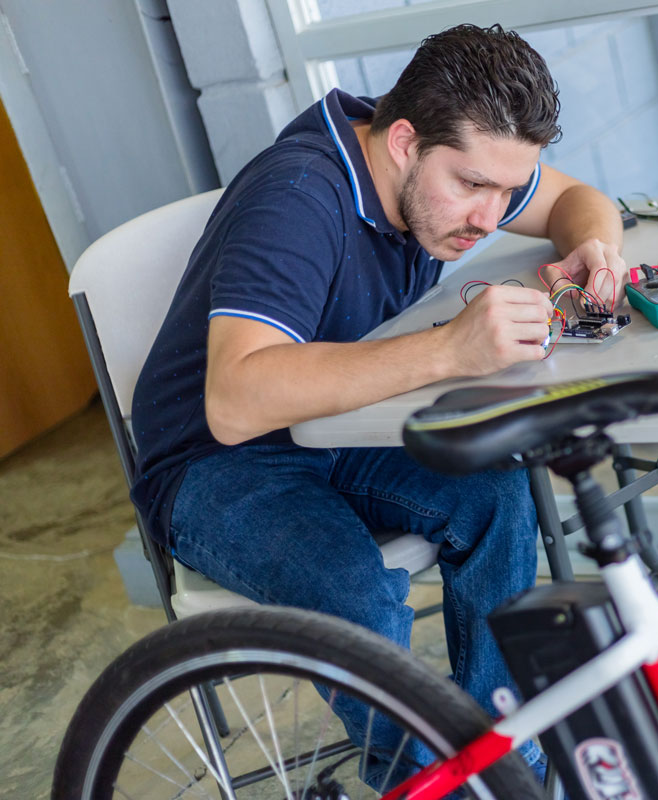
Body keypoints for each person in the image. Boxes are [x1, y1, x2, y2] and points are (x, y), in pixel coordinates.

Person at [128, 22, 626, 787]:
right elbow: (234, 401)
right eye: (472, 187)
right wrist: (450, 350)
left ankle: (506, 760)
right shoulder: (297, 198)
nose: (490, 219)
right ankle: (427, 782)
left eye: (503, 188)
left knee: (498, 491)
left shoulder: (454, 162)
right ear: (402, 142)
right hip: (213, 462)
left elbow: (576, 199)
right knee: (360, 599)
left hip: (337, 423)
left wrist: (597, 247)